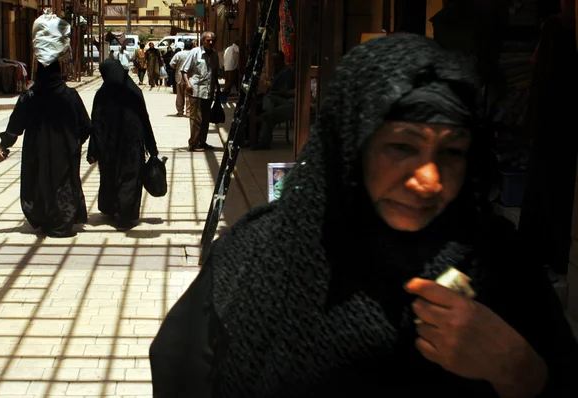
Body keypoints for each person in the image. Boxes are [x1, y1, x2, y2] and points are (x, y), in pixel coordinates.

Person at [149, 34, 578, 397]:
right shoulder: (257, 255)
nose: (429, 180)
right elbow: (178, 364)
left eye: (452, 152)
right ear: (349, 147)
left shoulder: (500, 263)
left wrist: (518, 369)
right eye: (401, 147)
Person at [0, 15, 91, 238]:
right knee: (64, 183)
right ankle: (63, 220)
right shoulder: (70, 96)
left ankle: (43, 218)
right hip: (65, 150)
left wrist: (4, 145)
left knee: (39, 182)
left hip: (36, 149)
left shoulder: (30, 96)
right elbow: (86, 126)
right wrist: (74, 142)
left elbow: (16, 123)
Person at [518, 0, 578, 276]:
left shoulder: (556, 28)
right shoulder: (554, 27)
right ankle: (545, 255)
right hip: (555, 118)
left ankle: (547, 255)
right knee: (549, 186)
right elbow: (537, 65)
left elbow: (538, 66)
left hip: (557, 118)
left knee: (551, 187)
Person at [87, 59, 159, 231]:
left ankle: (114, 210)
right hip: (132, 145)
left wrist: (94, 150)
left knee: (112, 176)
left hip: (109, 146)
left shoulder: (102, 94)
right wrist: (151, 146)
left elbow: (96, 125)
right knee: (130, 178)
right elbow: (144, 120)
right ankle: (124, 215)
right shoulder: (133, 91)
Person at [181, 31, 221, 152]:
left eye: (212, 40)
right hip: (196, 90)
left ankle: (202, 142)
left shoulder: (214, 55)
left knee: (205, 119)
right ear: (203, 41)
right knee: (196, 119)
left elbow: (214, 74)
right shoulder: (195, 52)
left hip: (208, 92)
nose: (210, 42)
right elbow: (184, 70)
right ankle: (193, 143)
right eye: (208, 40)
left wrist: (218, 89)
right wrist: (187, 84)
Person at [254, 50, 296, 150]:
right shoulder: (277, 71)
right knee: (263, 101)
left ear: (282, 60)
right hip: (280, 99)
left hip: (290, 102)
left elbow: (288, 92)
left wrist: (277, 92)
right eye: (273, 60)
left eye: (276, 60)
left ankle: (263, 141)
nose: (274, 63)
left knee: (268, 114)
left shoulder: (286, 72)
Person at [170, 39, 193, 117]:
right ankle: (188, 112)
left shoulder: (179, 54)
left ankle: (180, 111)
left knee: (180, 95)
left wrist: (177, 67)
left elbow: (171, 64)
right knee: (189, 95)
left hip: (179, 77)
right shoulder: (193, 54)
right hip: (190, 78)